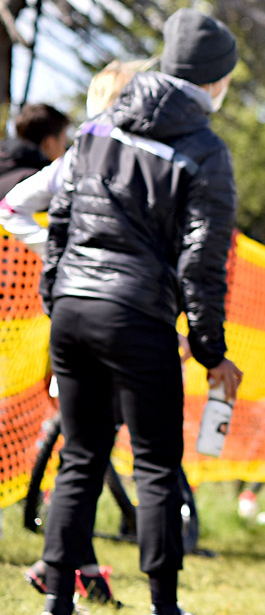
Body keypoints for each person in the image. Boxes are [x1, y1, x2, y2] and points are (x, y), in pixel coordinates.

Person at [37, 8, 243, 615]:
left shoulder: (98, 127)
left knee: (81, 455)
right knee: (155, 466)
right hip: (138, 316)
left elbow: (62, 225)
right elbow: (202, 268)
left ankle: (57, 601)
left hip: (73, 309)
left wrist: (59, 300)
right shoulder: (206, 153)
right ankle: (164, 605)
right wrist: (210, 352)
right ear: (213, 82)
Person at [13, 60, 147, 605]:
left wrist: (60, 257)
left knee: (83, 452)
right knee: (86, 453)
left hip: (69, 316)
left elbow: (13, 206)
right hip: (101, 322)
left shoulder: (83, 157)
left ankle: (64, 567)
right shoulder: (118, 162)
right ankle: (68, 569)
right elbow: (12, 206)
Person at [1, 61, 151, 256]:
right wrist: (57, 252)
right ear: (48, 143)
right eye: (64, 139)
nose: (66, 147)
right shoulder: (74, 162)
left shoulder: (11, 162)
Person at [0, 103, 69, 198]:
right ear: (50, 143)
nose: (65, 148)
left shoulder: (5, 156)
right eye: (64, 140)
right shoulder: (37, 182)